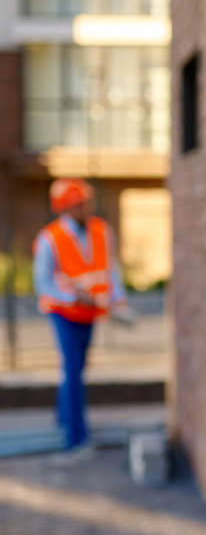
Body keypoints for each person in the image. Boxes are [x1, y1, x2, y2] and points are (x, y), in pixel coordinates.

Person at [33, 178, 130, 456]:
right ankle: (75, 436)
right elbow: (43, 282)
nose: (85, 207)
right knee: (73, 368)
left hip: (90, 311)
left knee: (76, 368)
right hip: (63, 312)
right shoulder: (50, 238)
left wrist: (118, 298)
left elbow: (111, 268)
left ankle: (64, 417)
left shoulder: (101, 230)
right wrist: (71, 297)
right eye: (79, 203)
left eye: (86, 202)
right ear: (66, 207)